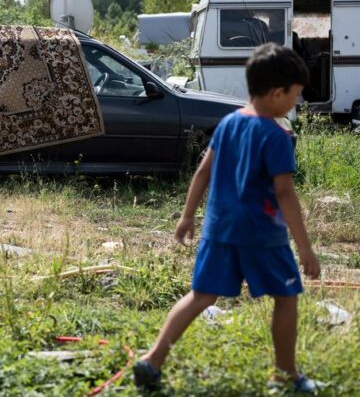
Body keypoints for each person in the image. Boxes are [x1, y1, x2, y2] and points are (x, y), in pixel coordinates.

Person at [133, 43, 322, 393]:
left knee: (201, 296)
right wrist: (305, 247)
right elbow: (284, 194)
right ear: (278, 93)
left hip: (219, 230)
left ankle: (152, 359)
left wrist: (188, 216)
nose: (295, 103)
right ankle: (286, 373)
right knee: (287, 297)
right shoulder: (277, 136)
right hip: (262, 236)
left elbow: (202, 173)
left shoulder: (228, 124)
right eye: (295, 96)